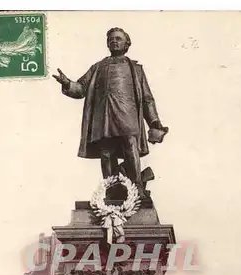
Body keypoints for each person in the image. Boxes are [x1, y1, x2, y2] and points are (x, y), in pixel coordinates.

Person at [53, 27, 168, 198]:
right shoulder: (98, 67)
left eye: (118, 38)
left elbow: (146, 98)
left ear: (127, 43)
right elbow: (81, 88)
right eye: (111, 39)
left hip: (127, 116)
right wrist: (67, 83)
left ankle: (137, 187)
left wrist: (154, 121)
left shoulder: (135, 69)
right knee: (106, 152)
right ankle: (111, 189)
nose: (114, 41)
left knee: (130, 146)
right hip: (104, 117)